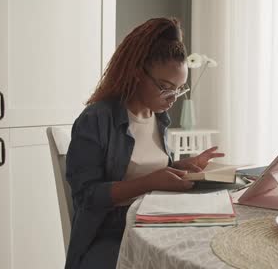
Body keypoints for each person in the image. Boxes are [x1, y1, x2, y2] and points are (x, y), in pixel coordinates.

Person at [64, 17, 224, 269]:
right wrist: (150, 182)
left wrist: (185, 165)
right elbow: (86, 196)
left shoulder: (158, 117)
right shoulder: (96, 119)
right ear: (137, 72)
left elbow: (145, 170)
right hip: (110, 233)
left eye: (179, 89)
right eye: (165, 87)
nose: (172, 98)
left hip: (155, 220)